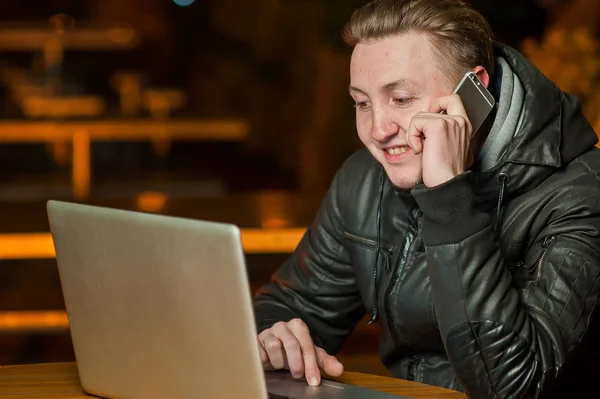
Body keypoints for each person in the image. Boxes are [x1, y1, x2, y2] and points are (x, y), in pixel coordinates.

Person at [252, 0, 600, 397]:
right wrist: (273, 334)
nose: (377, 130)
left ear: (474, 91)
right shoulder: (364, 179)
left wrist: (449, 199)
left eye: (401, 99)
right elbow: (293, 304)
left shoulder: (582, 197)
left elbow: (512, 388)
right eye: (362, 103)